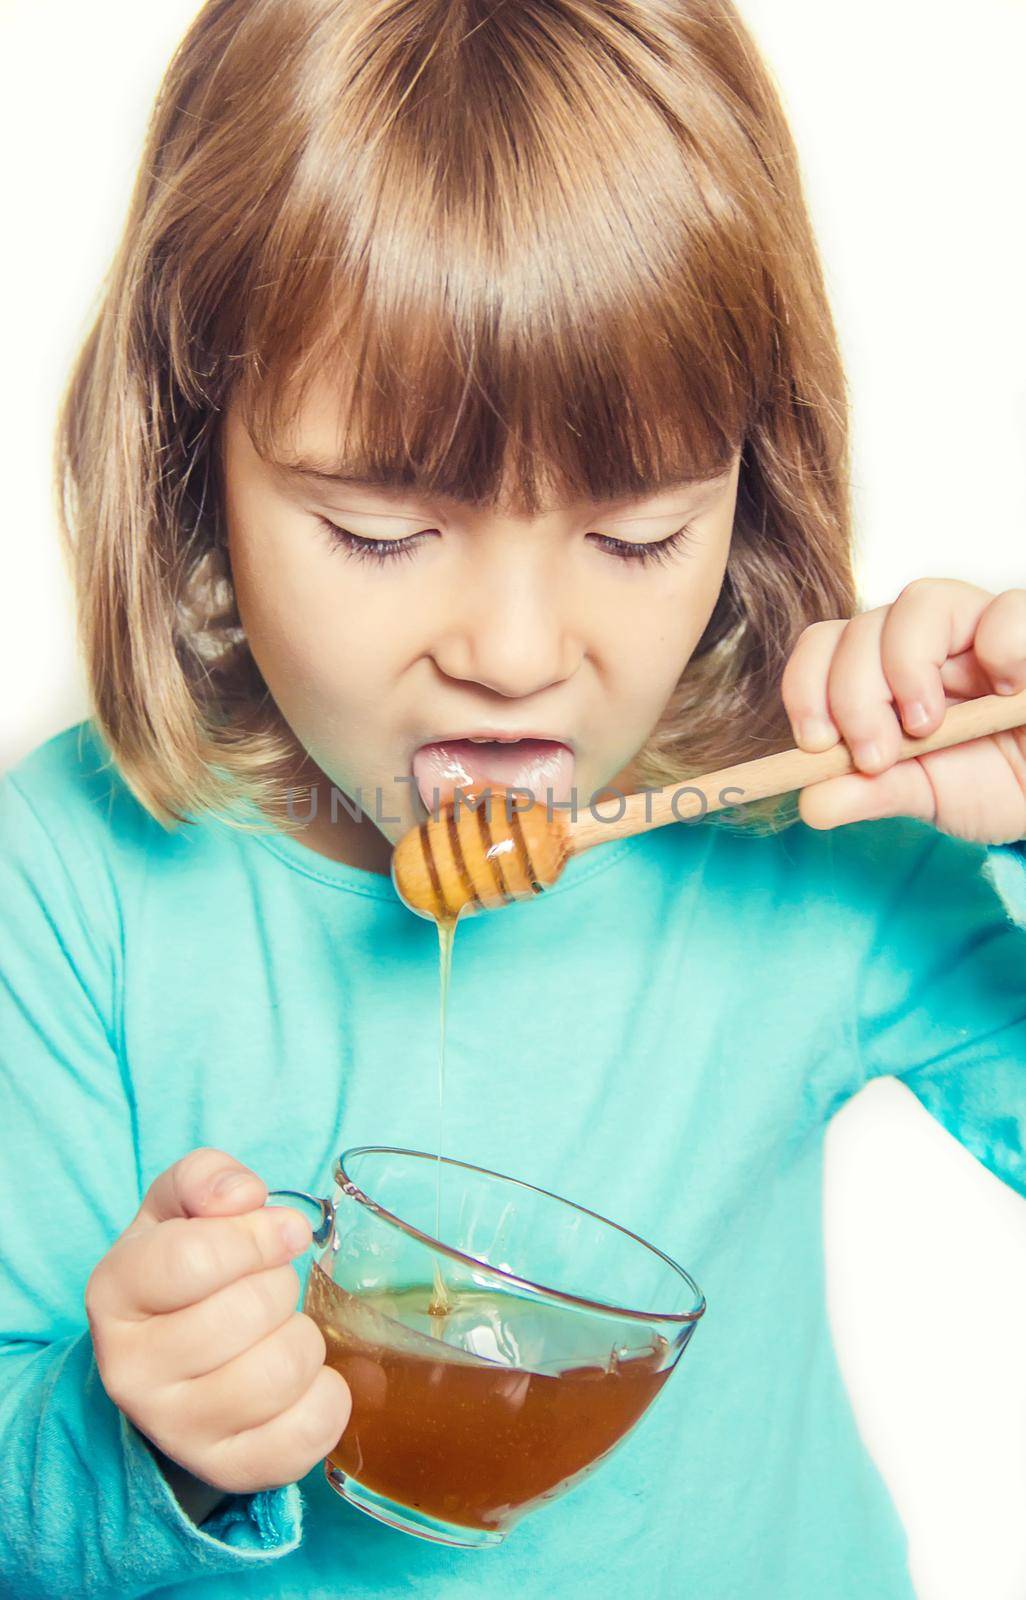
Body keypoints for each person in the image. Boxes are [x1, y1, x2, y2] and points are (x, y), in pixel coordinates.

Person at [1, 1, 1024, 1595]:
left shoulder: (828, 828)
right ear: (192, 451)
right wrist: (129, 1433)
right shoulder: (65, 882)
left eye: (633, 540)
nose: (517, 656)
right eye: (380, 533)